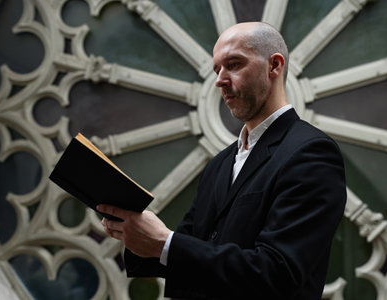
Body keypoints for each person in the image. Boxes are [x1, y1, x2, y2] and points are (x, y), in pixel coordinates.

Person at [98, 22, 346, 299]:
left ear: (274, 66)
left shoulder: (311, 152)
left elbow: (278, 271)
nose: (219, 80)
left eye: (234, 64)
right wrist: (132, 228)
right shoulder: (220, 163)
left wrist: (164, 243)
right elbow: (191, 249)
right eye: (217, 69)